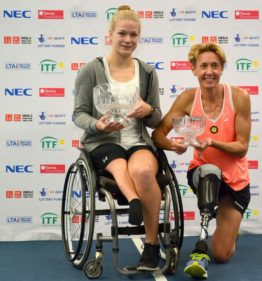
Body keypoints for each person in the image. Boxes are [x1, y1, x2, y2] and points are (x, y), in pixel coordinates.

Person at [73, 5, 162, 271]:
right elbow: (79, 114)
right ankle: (134, 200)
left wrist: (149, 111)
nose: (127, 40)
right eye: (122, 33)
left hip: (137, 142)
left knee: (144, 170)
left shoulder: (147, 72)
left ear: (139, 38)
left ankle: (152, 245)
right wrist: (97, 125)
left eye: (133, 35)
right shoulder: (91, 70)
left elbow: (156, 117)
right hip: (103, 141)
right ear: (110, 35)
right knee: (117, 163)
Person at [152, 43, 251, 279]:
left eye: (215, 66)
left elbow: (242, 148)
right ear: (194, 69)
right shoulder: (187, 99)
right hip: (203, 171)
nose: (209, 71)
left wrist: (213, 142)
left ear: (222, 68)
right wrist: (174, 145)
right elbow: (158, 135)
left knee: (222, 255)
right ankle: (200, 248)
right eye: (203, 66)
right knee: (209, 170)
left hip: (235, 182)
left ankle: (226, 228)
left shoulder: (239, 97)